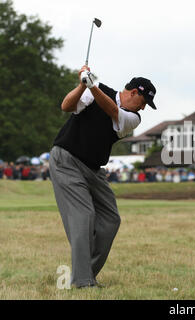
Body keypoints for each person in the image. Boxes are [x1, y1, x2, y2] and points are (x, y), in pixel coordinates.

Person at [49, 65, 157, 289]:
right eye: (144, 102)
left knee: (110, 220)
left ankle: (84, 271)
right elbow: (66, 105)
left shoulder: (133, 119)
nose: (144, 108)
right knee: (84, 216)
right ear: (134, 92)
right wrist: (82, 86)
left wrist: (92, 86)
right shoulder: (93, 90)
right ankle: (83, 281)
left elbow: (113, 111)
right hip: (66, 160)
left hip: (94, 169)